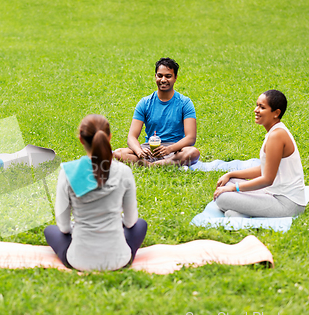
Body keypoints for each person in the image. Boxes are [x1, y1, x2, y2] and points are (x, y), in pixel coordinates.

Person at [44, 114, 148, 271]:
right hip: (119, 260)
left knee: (50, 230)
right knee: (140, 224)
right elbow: (130, 222)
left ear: (80, 139)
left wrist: (79, 227)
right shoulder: (123, 171)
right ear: (110, 137)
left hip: (79, 260)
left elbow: (64, 228)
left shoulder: (68, 172)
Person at [213, 90, 306, 217]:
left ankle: (238, 211)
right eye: (257, 105)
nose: (256, 110)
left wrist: (234, 188)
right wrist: (230, 174)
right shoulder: (275, 131)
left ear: (276, 113)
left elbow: (267, 179)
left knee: (223, 197)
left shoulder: (277, 135)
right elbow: (264, 169)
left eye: (262, 107)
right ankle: (238, 212)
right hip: (272, 193)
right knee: (230, 181)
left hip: (287, 204)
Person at [113, 57, 200, 166]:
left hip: (174, 150)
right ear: (155, 77)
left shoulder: (185, 103)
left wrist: (169, 149)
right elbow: (131, 137)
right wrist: (139, 151)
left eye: (168, 76)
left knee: (193, 152)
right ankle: (159, 164)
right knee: (118, 153)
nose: (163, 80)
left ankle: (151, 165)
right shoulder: (145, 103)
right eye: (160, 76)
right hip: (150, 149)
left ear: (175, 78)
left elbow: (191, 138)